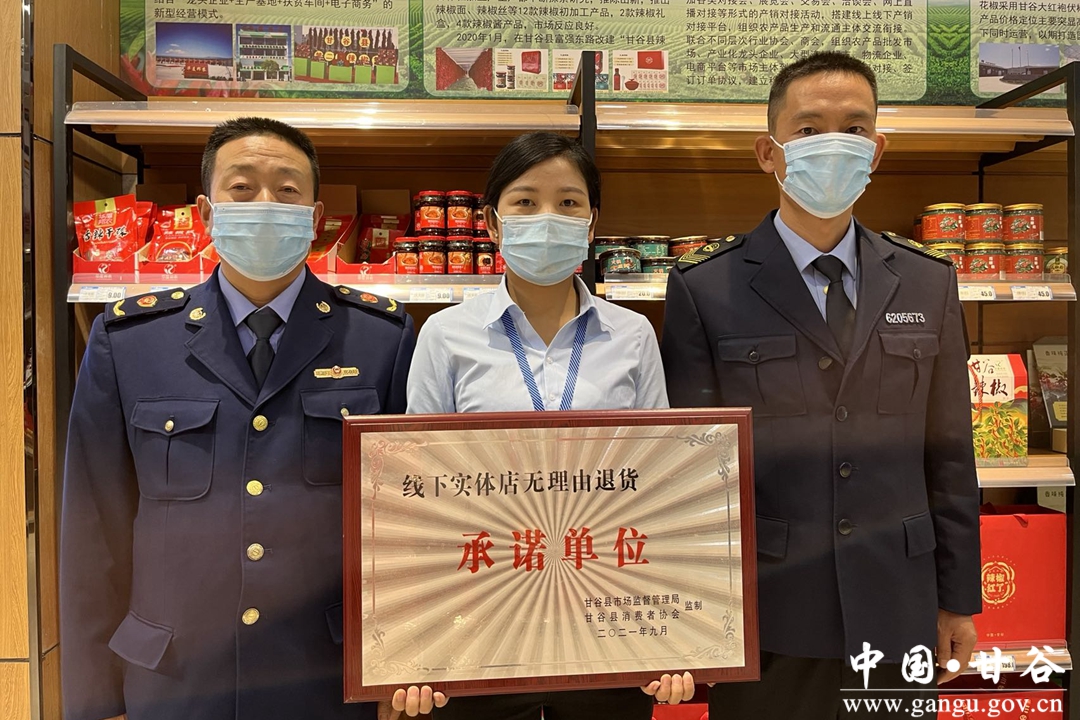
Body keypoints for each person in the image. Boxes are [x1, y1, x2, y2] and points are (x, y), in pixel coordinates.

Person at [60, 117, 415, 720]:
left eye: (287, 190)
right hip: (172, 678)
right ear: (205, 212)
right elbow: (94, 535)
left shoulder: (381, 338)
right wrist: (93, 702)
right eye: (242, 188)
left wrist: (401, 663)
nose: (266, 204)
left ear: (315, 216)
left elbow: (405, 527)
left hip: (327, 675)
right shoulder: (129, 340)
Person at [661, 52, 981, 718]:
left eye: (854, 128)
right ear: (769, 152)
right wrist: (693, 613)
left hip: (899, 602)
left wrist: (958, 600)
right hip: (769, 611)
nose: (833, 145)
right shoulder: (705, 287)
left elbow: (950, 455)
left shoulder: (929, 281)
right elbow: (693, 474)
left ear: (876, 150)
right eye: (808, 130)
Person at [395, 131, 693, 720]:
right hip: (479, 620)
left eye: (569, 202)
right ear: (493, 222)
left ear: (592, 222)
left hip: (606, 620)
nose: (547, 217)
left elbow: (659, 486)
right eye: (526, 202)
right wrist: (414, 638)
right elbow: (419, 491)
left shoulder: (634, 336)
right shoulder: (445, 335)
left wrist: (672, 635)